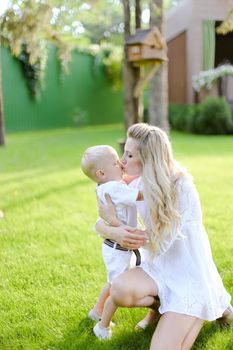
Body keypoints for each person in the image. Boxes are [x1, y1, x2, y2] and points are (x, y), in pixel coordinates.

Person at [95, 123, 232, 350]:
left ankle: (209, 304)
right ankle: (166, 309)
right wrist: (112, 229)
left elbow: (162, 242)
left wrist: (119, 229)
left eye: (129, 154)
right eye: (124, 153)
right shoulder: (134, 180)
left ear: (149, 159)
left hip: (189, 273)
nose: (122, 160)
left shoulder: (180, 185)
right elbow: (100, 219)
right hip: (159, 267)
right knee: (119, 289)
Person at [80, 145, 144, 339]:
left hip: (114, 246)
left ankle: (97, 311)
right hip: (118, 247)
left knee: (112, 282)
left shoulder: (105, 185)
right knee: (116, 285)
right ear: (101, 172)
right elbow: (139, 196)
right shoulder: (113, 188)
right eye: (116, 162)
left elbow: (124, 185)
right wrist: (156, 185)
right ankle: (102, 323)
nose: (121, 164)